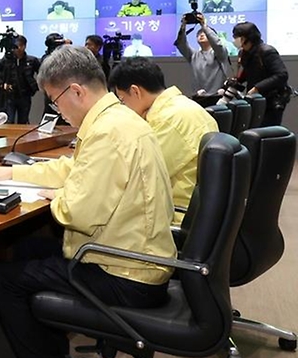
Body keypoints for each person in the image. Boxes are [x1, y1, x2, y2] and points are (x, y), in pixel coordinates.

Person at [0, 46, 176, 358]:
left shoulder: (107, 132)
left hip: (123, 271)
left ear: (76, 92)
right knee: (26, 249)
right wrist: (11, 176)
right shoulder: (117, 119)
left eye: (55, 101)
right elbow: (74, 169)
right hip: (136, 257)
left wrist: (55, 197)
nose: (57, 110)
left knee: (1, 280)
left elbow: (77, 213)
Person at [109, 57, 218, 223]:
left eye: (122, 100)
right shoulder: (180, 107)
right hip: (194, 213)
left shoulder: (169, 120)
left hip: (174, 217)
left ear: (136, 91)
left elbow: (135, 177)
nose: (123, 107)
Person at [233, 22, 291, 126]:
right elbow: (249, 71)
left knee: (268, 132)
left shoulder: (267, 51)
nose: (235, 40)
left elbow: (281, 75)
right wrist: (237, 81)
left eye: (237, 37)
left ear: (246, 38)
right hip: (256, 101)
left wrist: (257, 88)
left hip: (272, 101)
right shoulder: (244, 53)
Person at [174, 12, 230, 95]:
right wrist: (183, 26)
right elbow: (181, 44)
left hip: (217, 96)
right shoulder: (194, 55)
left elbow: (217, 44)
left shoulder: (219, 53)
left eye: (204, 33)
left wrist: (204, 26)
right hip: (198, 96)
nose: (201, 35)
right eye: (199, 34)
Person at [0, 35, 39, 123]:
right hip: (10, 95)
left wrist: (36, 85)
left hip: (25, 95)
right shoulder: (7, 59)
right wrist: (1, 83)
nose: (16, 49)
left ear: (24, 46)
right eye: (14, 46)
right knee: (9, 120)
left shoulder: (32, 60)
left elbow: (42, 73)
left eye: (18, 46)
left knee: (23, 120)